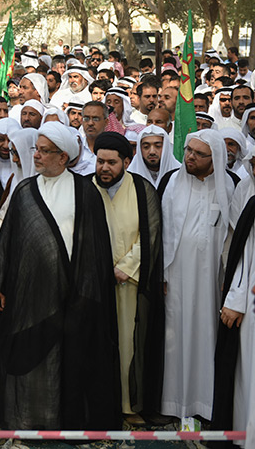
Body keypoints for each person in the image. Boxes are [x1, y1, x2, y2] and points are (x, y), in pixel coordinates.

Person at [0, 122, 121, 430]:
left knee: (69, 358)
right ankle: (29, 418)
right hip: (28, 295)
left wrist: (83, 293)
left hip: (72, 295)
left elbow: (95, 248)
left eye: (45, 151)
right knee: (30, 355)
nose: (36, 156)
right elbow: (7, 240)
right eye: (36, 149)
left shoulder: (85, 191)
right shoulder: (24, 190)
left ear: (63, 157)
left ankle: (67, 421)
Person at [159, 129, 234, 422]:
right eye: (188, 150)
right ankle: (172, 404)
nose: (190, 157)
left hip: (211, 284)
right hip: (175, 280)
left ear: (215, 159)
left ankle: (204, 404)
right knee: (174, 339)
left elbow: (233, 238)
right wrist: (161, 275)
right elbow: (160, 232)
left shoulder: (229, 186)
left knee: (207, 337)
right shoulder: (171, 183)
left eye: (199, 154)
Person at [92, 132, 164, 425]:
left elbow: (151, 233)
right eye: (100, 161)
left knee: (127, 346)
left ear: (127, 162)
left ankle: (127, 405)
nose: (104, 168)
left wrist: (126, 267)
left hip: (128, 284)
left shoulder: (143, 190)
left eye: (111, 162)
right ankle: (96, 405)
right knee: (93, 344)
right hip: (92, 284)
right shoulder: (85, 187)